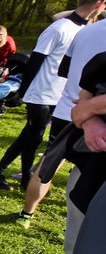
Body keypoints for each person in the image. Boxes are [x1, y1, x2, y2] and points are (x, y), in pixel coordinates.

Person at [8, 52, 106, 254]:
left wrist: (93, 108)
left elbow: (88, 104)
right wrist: (91, 116)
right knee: (77, 245)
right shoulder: (102, 60)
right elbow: (80, 105)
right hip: (91, 169)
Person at [0, 0, 104, 193]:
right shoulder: (59, 28)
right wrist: (23, 93)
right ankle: (25, 180)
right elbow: (34, 60)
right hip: (40, 93)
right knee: (35, 137)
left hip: (57, 95)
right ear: (99, 4)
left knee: (28, 136)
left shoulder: (83, 30)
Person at [16, 18, 106, 229]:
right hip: (81, 115)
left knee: (49, 163)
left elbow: (64, 69)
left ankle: (26, 213)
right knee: (67, 172)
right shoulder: (77, 29)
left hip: (69, 108)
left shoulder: (86, 31)